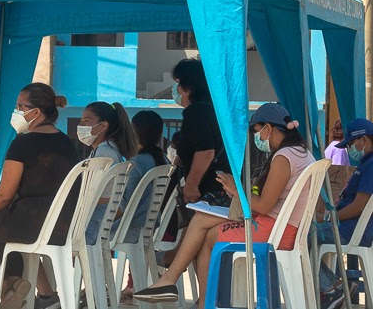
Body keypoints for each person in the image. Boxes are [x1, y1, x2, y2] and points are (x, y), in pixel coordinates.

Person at [134, 103, 314, 306]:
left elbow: (263, 206)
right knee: (202, 219)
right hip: (281, 225)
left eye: (257, 132)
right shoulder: (302, 153)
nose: (258, 138)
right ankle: (176, 286)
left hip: (275, 229)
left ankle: (185, 290)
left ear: (268, 129)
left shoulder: (284, 157)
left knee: (208, 236)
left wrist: (236, 190)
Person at [0, 83, 79, 308]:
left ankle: (7, 285)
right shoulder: (67, 143)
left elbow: (6, 194)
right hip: (63, 223)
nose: (16, 112)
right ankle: (45, 295)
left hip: (30, 221)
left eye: (20, 106)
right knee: (10, 238)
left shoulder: (23, 143)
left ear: (35, 112)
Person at [315, 118, 373, 308]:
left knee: (300, 237)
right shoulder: (366, 163)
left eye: (350, 144)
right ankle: (335, 286)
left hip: (350, 229)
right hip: (349, 227)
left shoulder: (371, 166)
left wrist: (332, 218)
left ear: (363, 140)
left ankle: (333, 288)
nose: (349, 149)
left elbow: (359, 206)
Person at [119, 110, 170, 303]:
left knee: (91, 231)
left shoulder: (137, 163)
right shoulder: (163, 160)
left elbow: (125, 205)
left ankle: (96, 287)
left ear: (134, 133)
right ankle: (132, 285)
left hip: (132, 228)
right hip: (151, 227)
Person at [171, 58, 229, 207]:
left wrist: (191, 185)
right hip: (220, 187)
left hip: (208, 192)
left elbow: (206, 151)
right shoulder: (212, 109)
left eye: (177, 83)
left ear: (188, 86)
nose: (176, 89)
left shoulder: (196, 112)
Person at [79, 101, 139, 245]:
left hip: (94, 223)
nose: (81, 125)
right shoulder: (107, 149)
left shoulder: (104, 152)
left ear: (103, 125)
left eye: (87, 121)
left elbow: (98, 195)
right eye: (81, 120)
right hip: (101, 220)